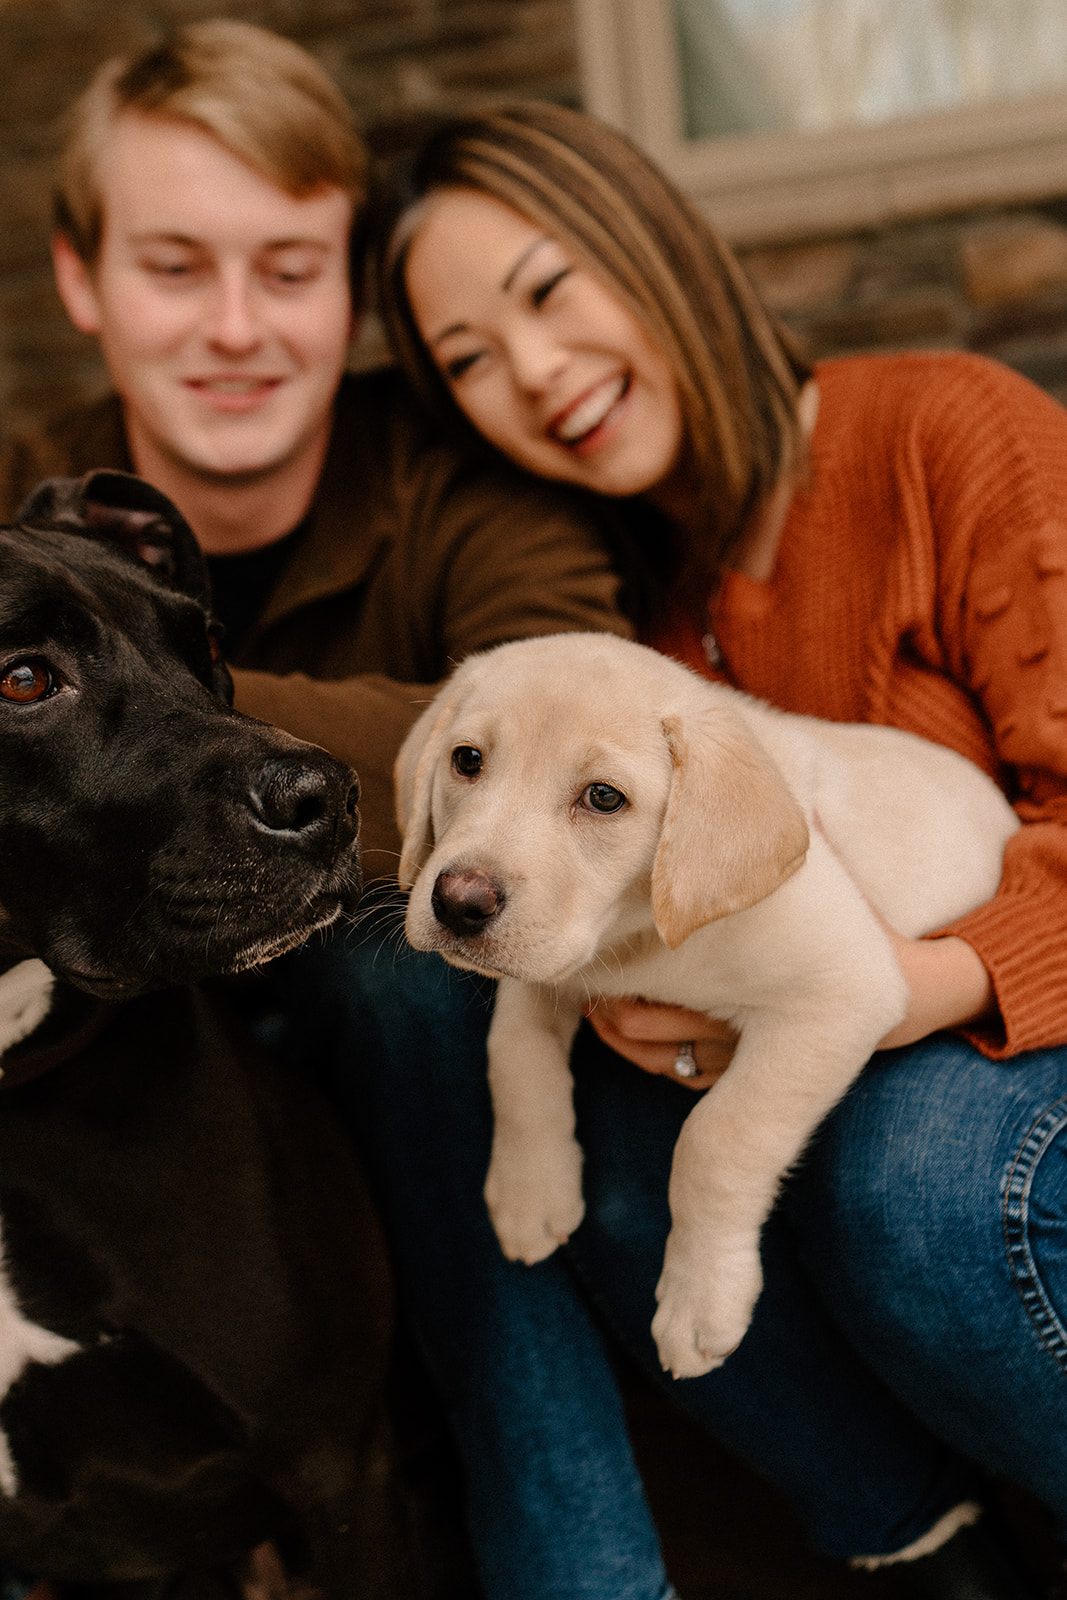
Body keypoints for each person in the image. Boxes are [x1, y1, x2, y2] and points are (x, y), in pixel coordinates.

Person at [342, 97, 1067, 1597]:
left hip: (1020, 1024)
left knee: (906, 1176)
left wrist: (918, 984)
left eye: (549, 290)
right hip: (836, 1029)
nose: (533, 375)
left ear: (654, 244)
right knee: (601, 1169)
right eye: (469, 359)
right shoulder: (621, 630)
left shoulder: (949, 430)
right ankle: (929, 1552)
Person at [0, 25, 637, 1599]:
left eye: (288, 270)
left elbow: (593, 727)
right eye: (173, 265)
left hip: (366, 1043)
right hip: (88, 1034)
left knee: (412, 956)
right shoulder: (32, 504)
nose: (233, 327)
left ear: (350, 288)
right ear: (81, 278)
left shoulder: (465, 482)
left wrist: (186, 739)